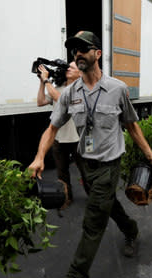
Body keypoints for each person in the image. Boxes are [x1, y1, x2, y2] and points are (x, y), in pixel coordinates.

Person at [28, 31, 152, 278]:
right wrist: (40, 156)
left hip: (109, 165)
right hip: (86, 165)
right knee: (108, 205)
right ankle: (131, 230)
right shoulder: (69, 94)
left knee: (93, 221)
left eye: (83, 49)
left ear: (97, 54)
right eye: (74, 50)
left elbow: (132, 126)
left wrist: (149, 154)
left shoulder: (117, 89)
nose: (77, 54)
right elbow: (51, 128)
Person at [36, 61, 89, 208]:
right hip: (59, 138)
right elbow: (40, 102)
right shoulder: (57, 87)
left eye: (72, 67)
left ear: (80, 73)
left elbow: (61, 100)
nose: (68, 69)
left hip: (78, 139)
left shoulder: (82, 90)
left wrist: (47, 81)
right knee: (62, 173)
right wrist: (42, 82)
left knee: (86, 172)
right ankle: (66, 198)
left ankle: (93, 197)